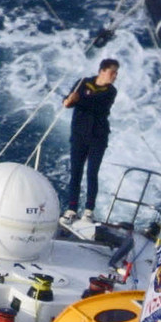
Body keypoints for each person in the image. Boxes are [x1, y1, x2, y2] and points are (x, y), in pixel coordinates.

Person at [61, 58, 119, 224]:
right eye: (112, 72)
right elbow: (68, 101)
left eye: (116, 73)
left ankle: (88, 211)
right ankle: (71, 210)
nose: (115, 76)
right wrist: (68, 100)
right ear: (102, 71)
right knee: (76, 172)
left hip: (98, 137)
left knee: (92, 173)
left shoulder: (110, 91)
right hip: (79, 135)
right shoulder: (83, 83)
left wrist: (77, 99)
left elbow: (98, 104)